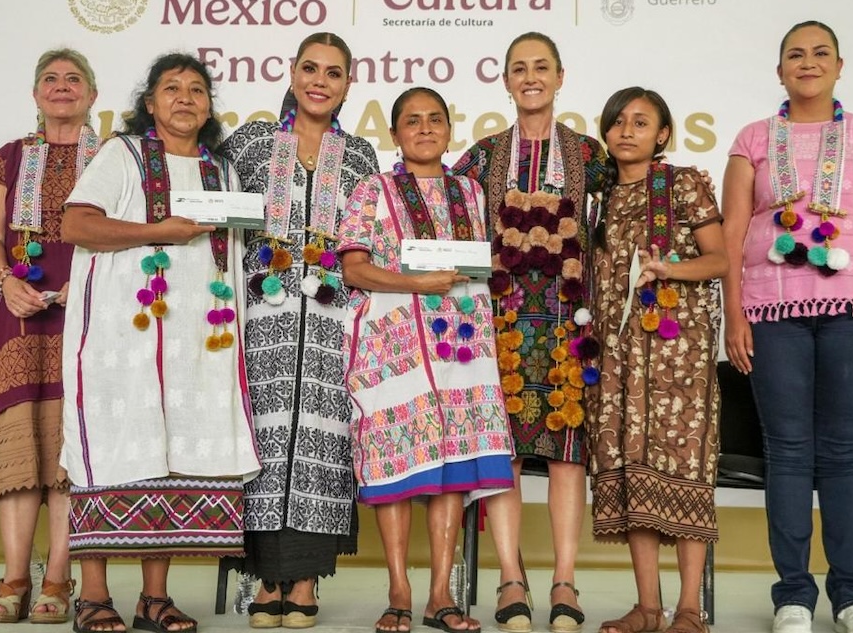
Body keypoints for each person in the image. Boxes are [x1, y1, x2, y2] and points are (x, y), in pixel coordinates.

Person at [59, 52, 260, 633]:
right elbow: (76, 224)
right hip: (120, 341)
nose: (185, 98)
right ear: (149, 103)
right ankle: (93, 597)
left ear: (209, 106)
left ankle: (154, 599)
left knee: (170, 459)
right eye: (171, 88)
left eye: (197, 90)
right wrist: (157, 233)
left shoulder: (224, 173)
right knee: (113, 449)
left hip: (198, 344)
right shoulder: (120, 155)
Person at [721, 20, 853, 633]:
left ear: (839, 66)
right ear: (779, 71)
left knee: (842, 454)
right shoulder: (753, 138)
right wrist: (733, 313)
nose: (808, 63)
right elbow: (730, 233)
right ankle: (794, 598)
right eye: (795, 55)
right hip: (771, 309)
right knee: (788, 454)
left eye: (819, 53)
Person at [339, 86, 514, 633]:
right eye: (411, 121)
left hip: (464, 346)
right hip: (392, 350)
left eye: (434, 119)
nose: (424, 128)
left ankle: (441, 595)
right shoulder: (373, 190)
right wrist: (416, 284)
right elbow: (354, 269)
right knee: (398, 466)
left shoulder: (471, 193)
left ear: (449, 129)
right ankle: (399, 590)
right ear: (394, 134)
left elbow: (481, 265)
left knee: (452, 468)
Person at [219, 32, 378, 629]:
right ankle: (265, 581)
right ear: (290, 74)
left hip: (338, 319)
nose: (320, 81)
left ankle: (306, 581)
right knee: (263, 440)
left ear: (347, 84)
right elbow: (224, 222)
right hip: (263, 316)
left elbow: (369, 240)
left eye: (333, 73)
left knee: (322, 440)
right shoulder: (252, 144)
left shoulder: (361, 156)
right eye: (310, 68)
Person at [453, 32, 606, 633]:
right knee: (506, 456)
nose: (531, 76)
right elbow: (445, 214)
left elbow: (620, 223)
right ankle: (510, 577)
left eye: (541, 67)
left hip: (572, 323)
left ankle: (565, 579)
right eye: (520, 68)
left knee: (569, 458)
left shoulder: (590, 155)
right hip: (502, 324)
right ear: (507, 81)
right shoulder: (483, 155)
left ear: (561, 77)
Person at [587, 87, 726, 633]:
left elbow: (719, 260)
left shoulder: (684, 184)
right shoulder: (599, 198)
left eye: (641, 123)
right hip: (617, 357)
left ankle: (689, 609)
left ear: (662, 134)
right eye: (619, 121)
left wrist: (669, 270)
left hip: (678, 356)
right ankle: (648, 608)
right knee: (629, 470)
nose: (627, 131)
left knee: (684, 468)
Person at [0, 47, 99, 625]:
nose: (62, 86)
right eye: (50, 78)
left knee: (70, 453)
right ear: (35, 94)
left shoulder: (115, 156)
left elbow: (132, 232)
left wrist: (92, 284)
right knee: (21, 451)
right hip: (16, 315)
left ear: (93, 95)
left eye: (74, 79)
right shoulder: (9, 157)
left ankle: (58, 581)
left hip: (90, 316)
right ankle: (14, 578)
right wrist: (5, 281)